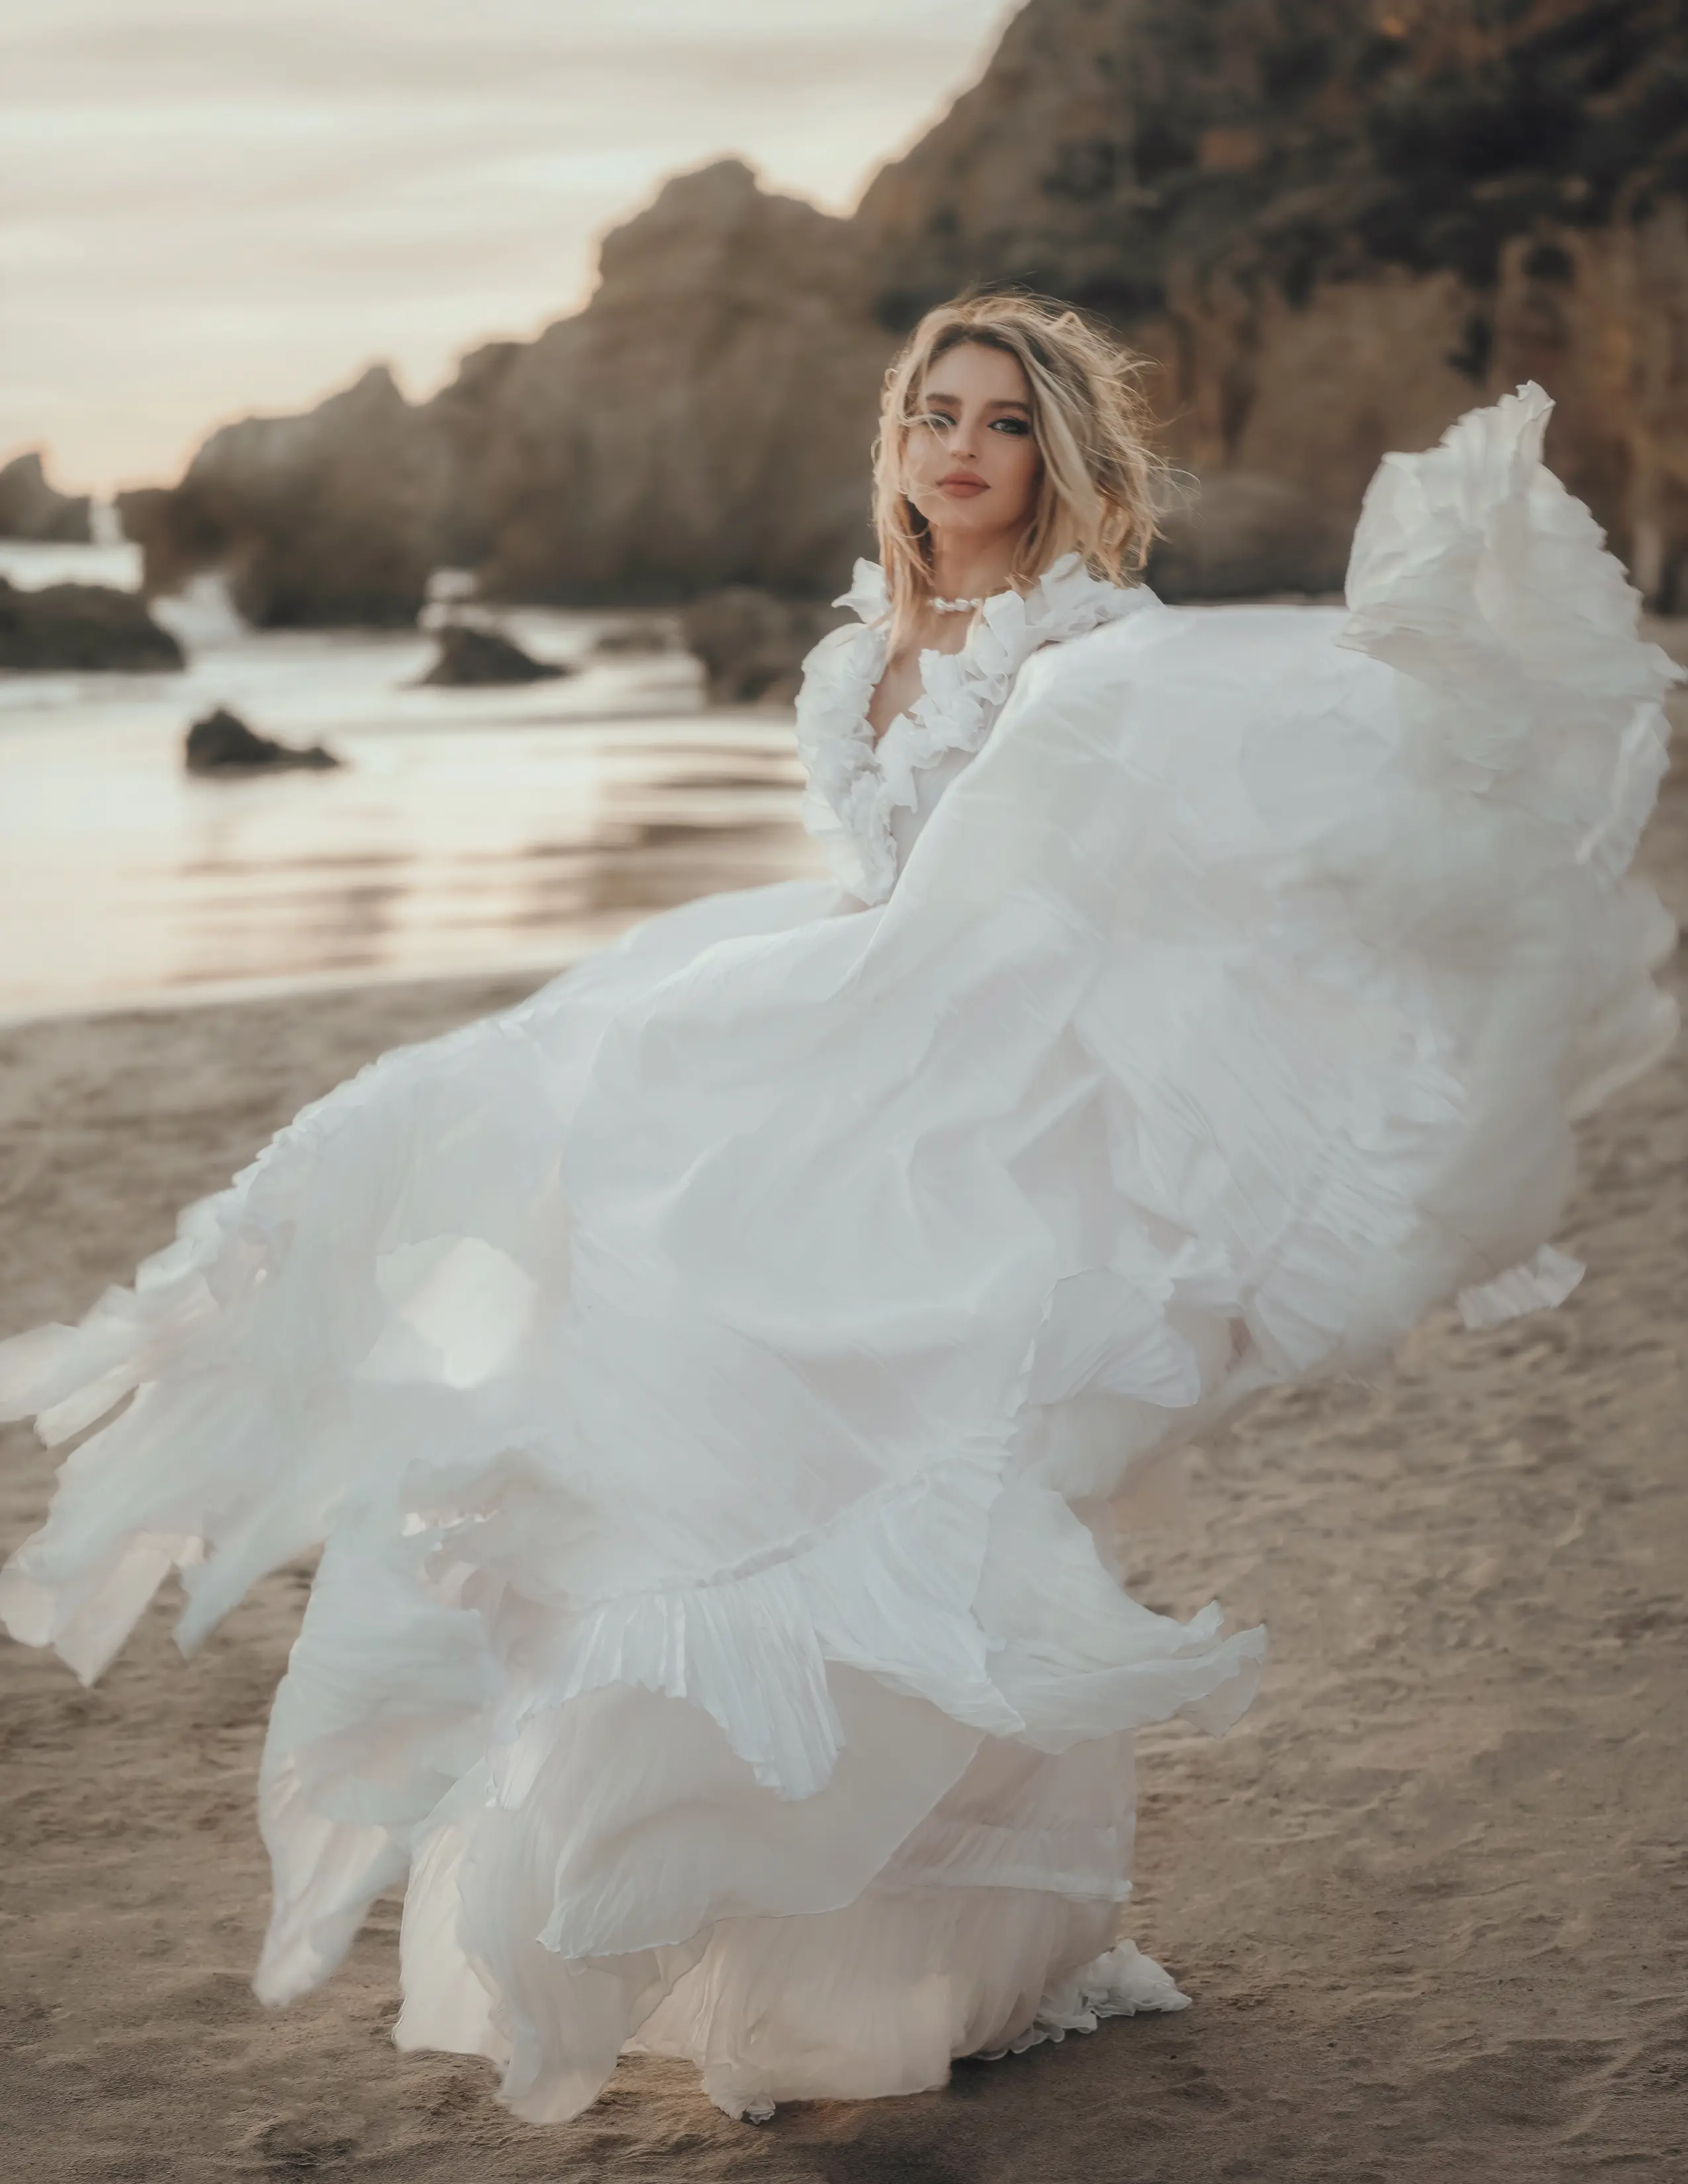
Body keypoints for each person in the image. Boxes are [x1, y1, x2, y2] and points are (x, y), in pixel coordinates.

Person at [0, 294, 1677, 2127]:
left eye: (1006, 421)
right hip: (851, 1092)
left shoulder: (1086, 650)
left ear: (1061, 458)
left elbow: (1136, 856)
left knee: (956, 1501)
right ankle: (793, 1945)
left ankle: (966, 1960)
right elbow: (875, 895)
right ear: (892, 447)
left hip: (1006, 1118)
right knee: (690, 1414)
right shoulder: (842, 664)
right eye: (933, 414)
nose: (962, 446)